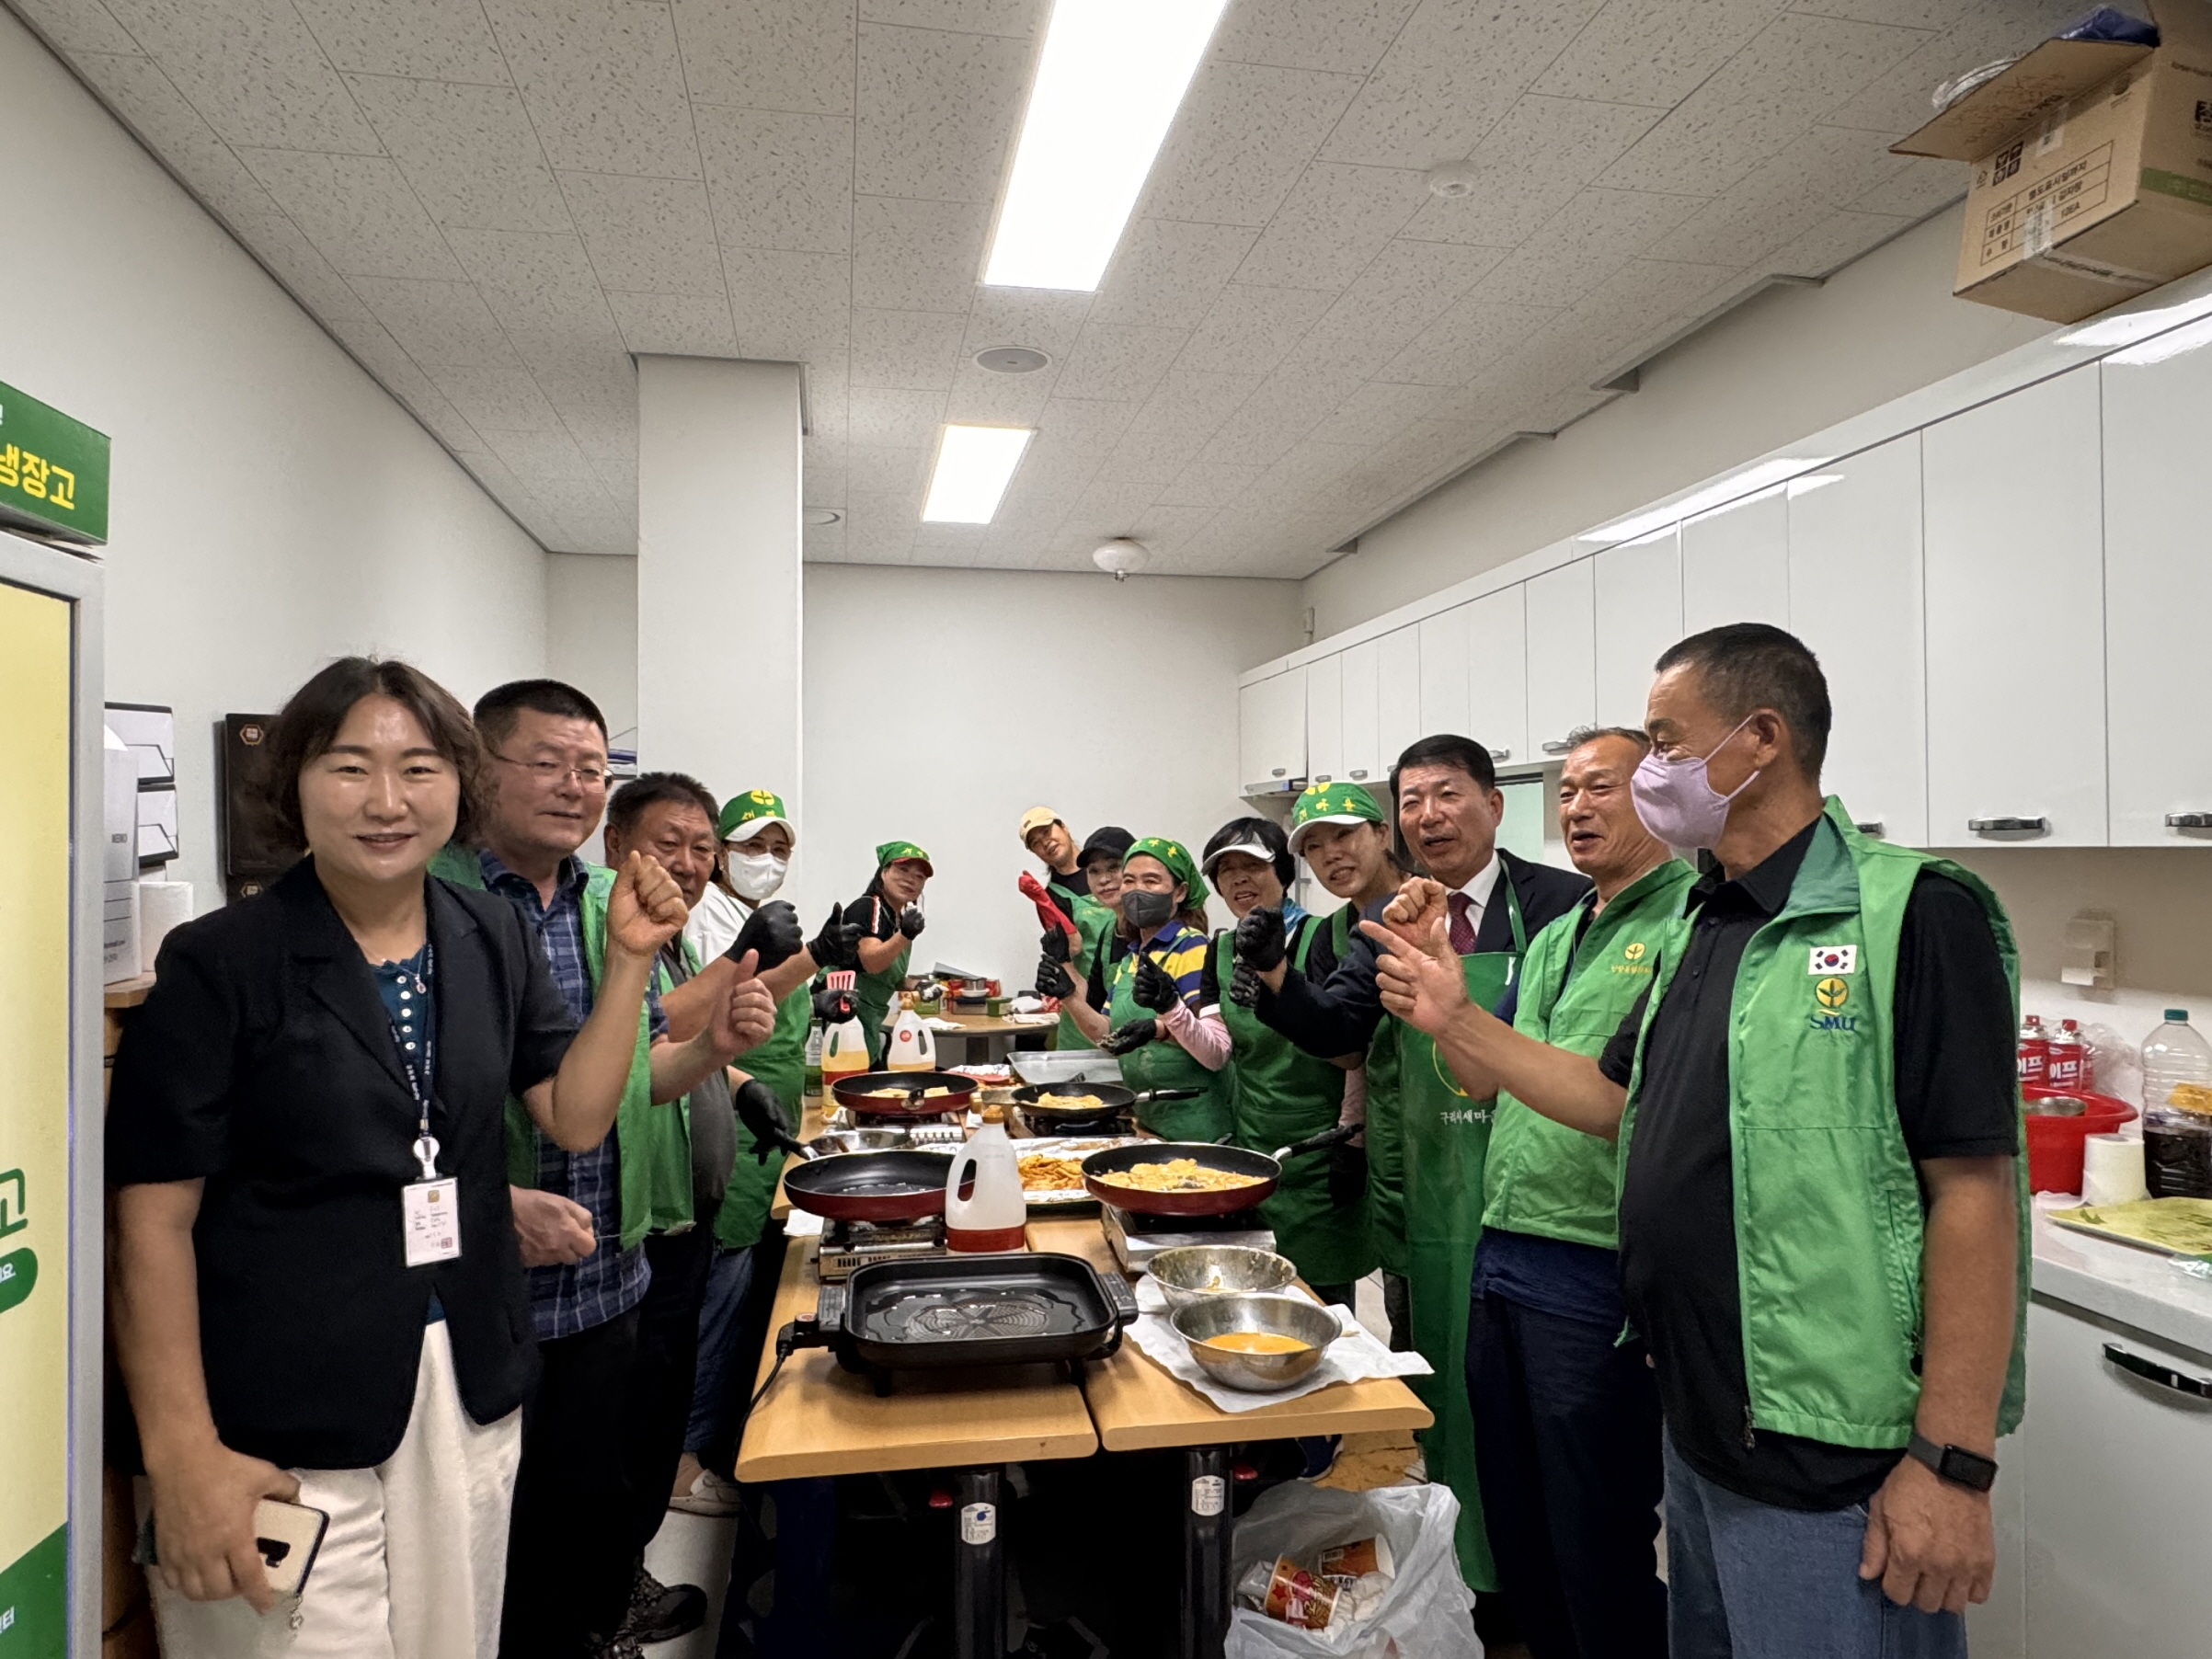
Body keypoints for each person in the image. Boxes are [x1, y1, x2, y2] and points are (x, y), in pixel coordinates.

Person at [1367, 625, 2027, 1659]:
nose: (1648, 775)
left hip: (1828, 1434)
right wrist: (1455, 1016)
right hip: (1700, 1408)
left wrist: (1951, 1462)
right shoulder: (1704, 923)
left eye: (1667, 746)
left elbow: (1973, 1192)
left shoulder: (1908, 912)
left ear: (1757, 739)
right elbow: (1601, 1095)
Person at [106, 658, 686, 1659]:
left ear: (458, 784)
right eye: (348, 768)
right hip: (281, 1405)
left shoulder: (484, 930)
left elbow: (577, 1116)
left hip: (460, 1377)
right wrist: (183, 1452)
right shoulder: (223, 960)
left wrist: (629, 960)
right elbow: (151, 1223)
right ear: (294, 781)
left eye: (417, 768)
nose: (386, 801)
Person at [429, 680, 772, 1659]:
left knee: (581, 1523)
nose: (572, 786)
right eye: (545, 762)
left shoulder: (596, 905)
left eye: (589, 767)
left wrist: (711, 1053)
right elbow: (388, 1119)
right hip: (478, 1289)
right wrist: (489, 1202)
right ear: (477, 769)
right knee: (484, 1548)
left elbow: (613, 1087)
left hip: (604, 1276)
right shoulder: (441, 901)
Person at [1243, 737, 1588, 1595]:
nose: (1428, 816)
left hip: (1553, 1191)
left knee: (1552, 1423)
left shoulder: (1565, 904)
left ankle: (1552, 1586)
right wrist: (1277, 974)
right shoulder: (1396, 917)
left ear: (1494, 803)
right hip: (1437, 1198)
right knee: (1453, 1402)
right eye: (1412, 800)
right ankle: (1470, 1580)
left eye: (1446, 794)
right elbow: (1339, 1030)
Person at [1462, 728, 1691, 1659]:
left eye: (1601, 787)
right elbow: (1482, 1078)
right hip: (1503, 1245)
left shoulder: (1687, 925)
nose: (1576, 808)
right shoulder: (1559, 932)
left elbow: (1617, 1106)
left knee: (1594, 1532)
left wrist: (1458, 1014)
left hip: (1594, 1265)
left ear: (1661, 797)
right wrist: (1438, 997)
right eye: (1564, 793)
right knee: (1518, 1520)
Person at [599, 773, 805, 1640]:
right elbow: (633, 1041)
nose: (688, 863)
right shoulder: (618, 931)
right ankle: (604, 1603)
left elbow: (675, 1043)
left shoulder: (674, 934)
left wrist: (737, 1075)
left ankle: (627, 1579)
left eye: (699, 847)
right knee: (619, 1428)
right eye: (668, 843)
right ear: (616, 846)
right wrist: (744, 969)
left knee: (656, 1405)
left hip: (688, 1202)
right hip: (637, 1213)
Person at [672, 790, 860, 1515]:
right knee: (714, 1294)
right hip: (715, 1121)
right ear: (725, 850)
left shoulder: (728, 917)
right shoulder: (703, 920)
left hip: (753, 1109)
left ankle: (717, 1434)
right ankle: (692, 1457)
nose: (767, 861)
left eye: (779, 849)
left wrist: (815, 962)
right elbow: (694, 1018)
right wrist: (807, 957)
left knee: (736, 1283)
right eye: (752, 846)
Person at [1201, 817, 1375, 1304]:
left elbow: (1354, 1043)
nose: (1238, 880)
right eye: (1225, 871)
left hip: (1319, 1150)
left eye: (1252, 865)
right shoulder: (1222, 950)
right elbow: (1222, 1047)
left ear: (1281, 869)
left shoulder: (1326, 937)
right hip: (1256, 1149)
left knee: (1321, 1302)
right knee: (1256, 1291)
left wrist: (1351, 1138)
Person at [1257, 782, 1404, 1334]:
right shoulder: (1330, 936)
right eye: (1314, 847)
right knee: (1403, 1305)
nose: (1330, 855)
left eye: (1343, 835)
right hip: (1388, 1136)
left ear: (1382, 833)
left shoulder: (1433, 905)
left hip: (1460, 1124)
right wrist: (1280, 986)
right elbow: (1346, 1049)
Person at [1058, 837, 1233, 1141]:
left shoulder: (1191, 948)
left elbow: (1216, 1053)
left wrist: (1162, 1026)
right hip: (1152, 1121)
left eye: (1151, 881)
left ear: (1179, 892)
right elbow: (1108, 1036)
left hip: (1195, 1125)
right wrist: (1070, 996)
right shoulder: (1134, 956)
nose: (1136, 890)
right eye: (1129, 880)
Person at [1037, 824, 1130, 1052]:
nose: (1104, 879)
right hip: (1109, 1045)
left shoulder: (1159, 932)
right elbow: (1097, 1011)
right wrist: (1066, 988)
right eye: (1094, 871)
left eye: (1114, 868)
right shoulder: (1109, 933)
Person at [838, 841, 933, 1066]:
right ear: (883, 872)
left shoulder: (899, 918)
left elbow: (885, 976)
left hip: (868, 1019)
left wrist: (914, 985)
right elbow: (871, 963)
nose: (911, 879)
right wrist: (905, 935)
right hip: (841, 1017)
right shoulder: (868, 907)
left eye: (919, 877)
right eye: (903, 869)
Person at [1018, 806, 1089, 914]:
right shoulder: (1052, 900)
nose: (1045, 843)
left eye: (1046, 832)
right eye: (1036, 843)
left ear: (1064, 827)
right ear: (1034, 853)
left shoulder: (1105, 863)